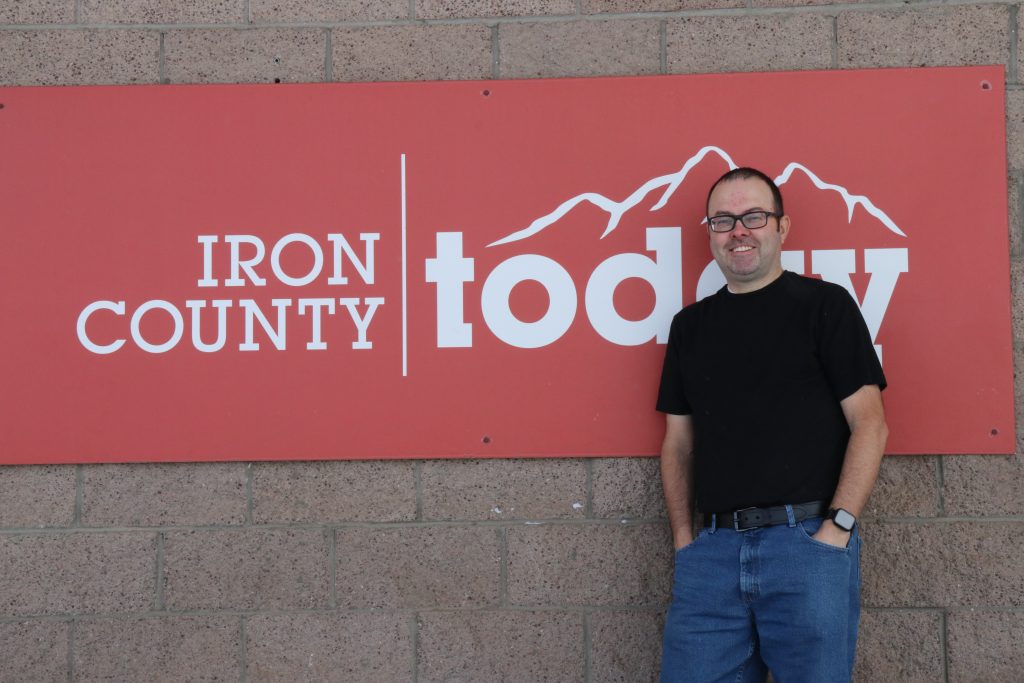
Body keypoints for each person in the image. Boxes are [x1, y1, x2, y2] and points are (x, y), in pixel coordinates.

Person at [656, 167, 888, 683]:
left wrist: (838, 529)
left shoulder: (824, 306)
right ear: (710, 232)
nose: (738, 230)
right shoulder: (689, 328)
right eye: (724, 220)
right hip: (711, 557)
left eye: (753, 216)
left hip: (806, 546)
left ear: (782, 228)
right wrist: (684, 541)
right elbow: (677, 445)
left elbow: (870, 424)